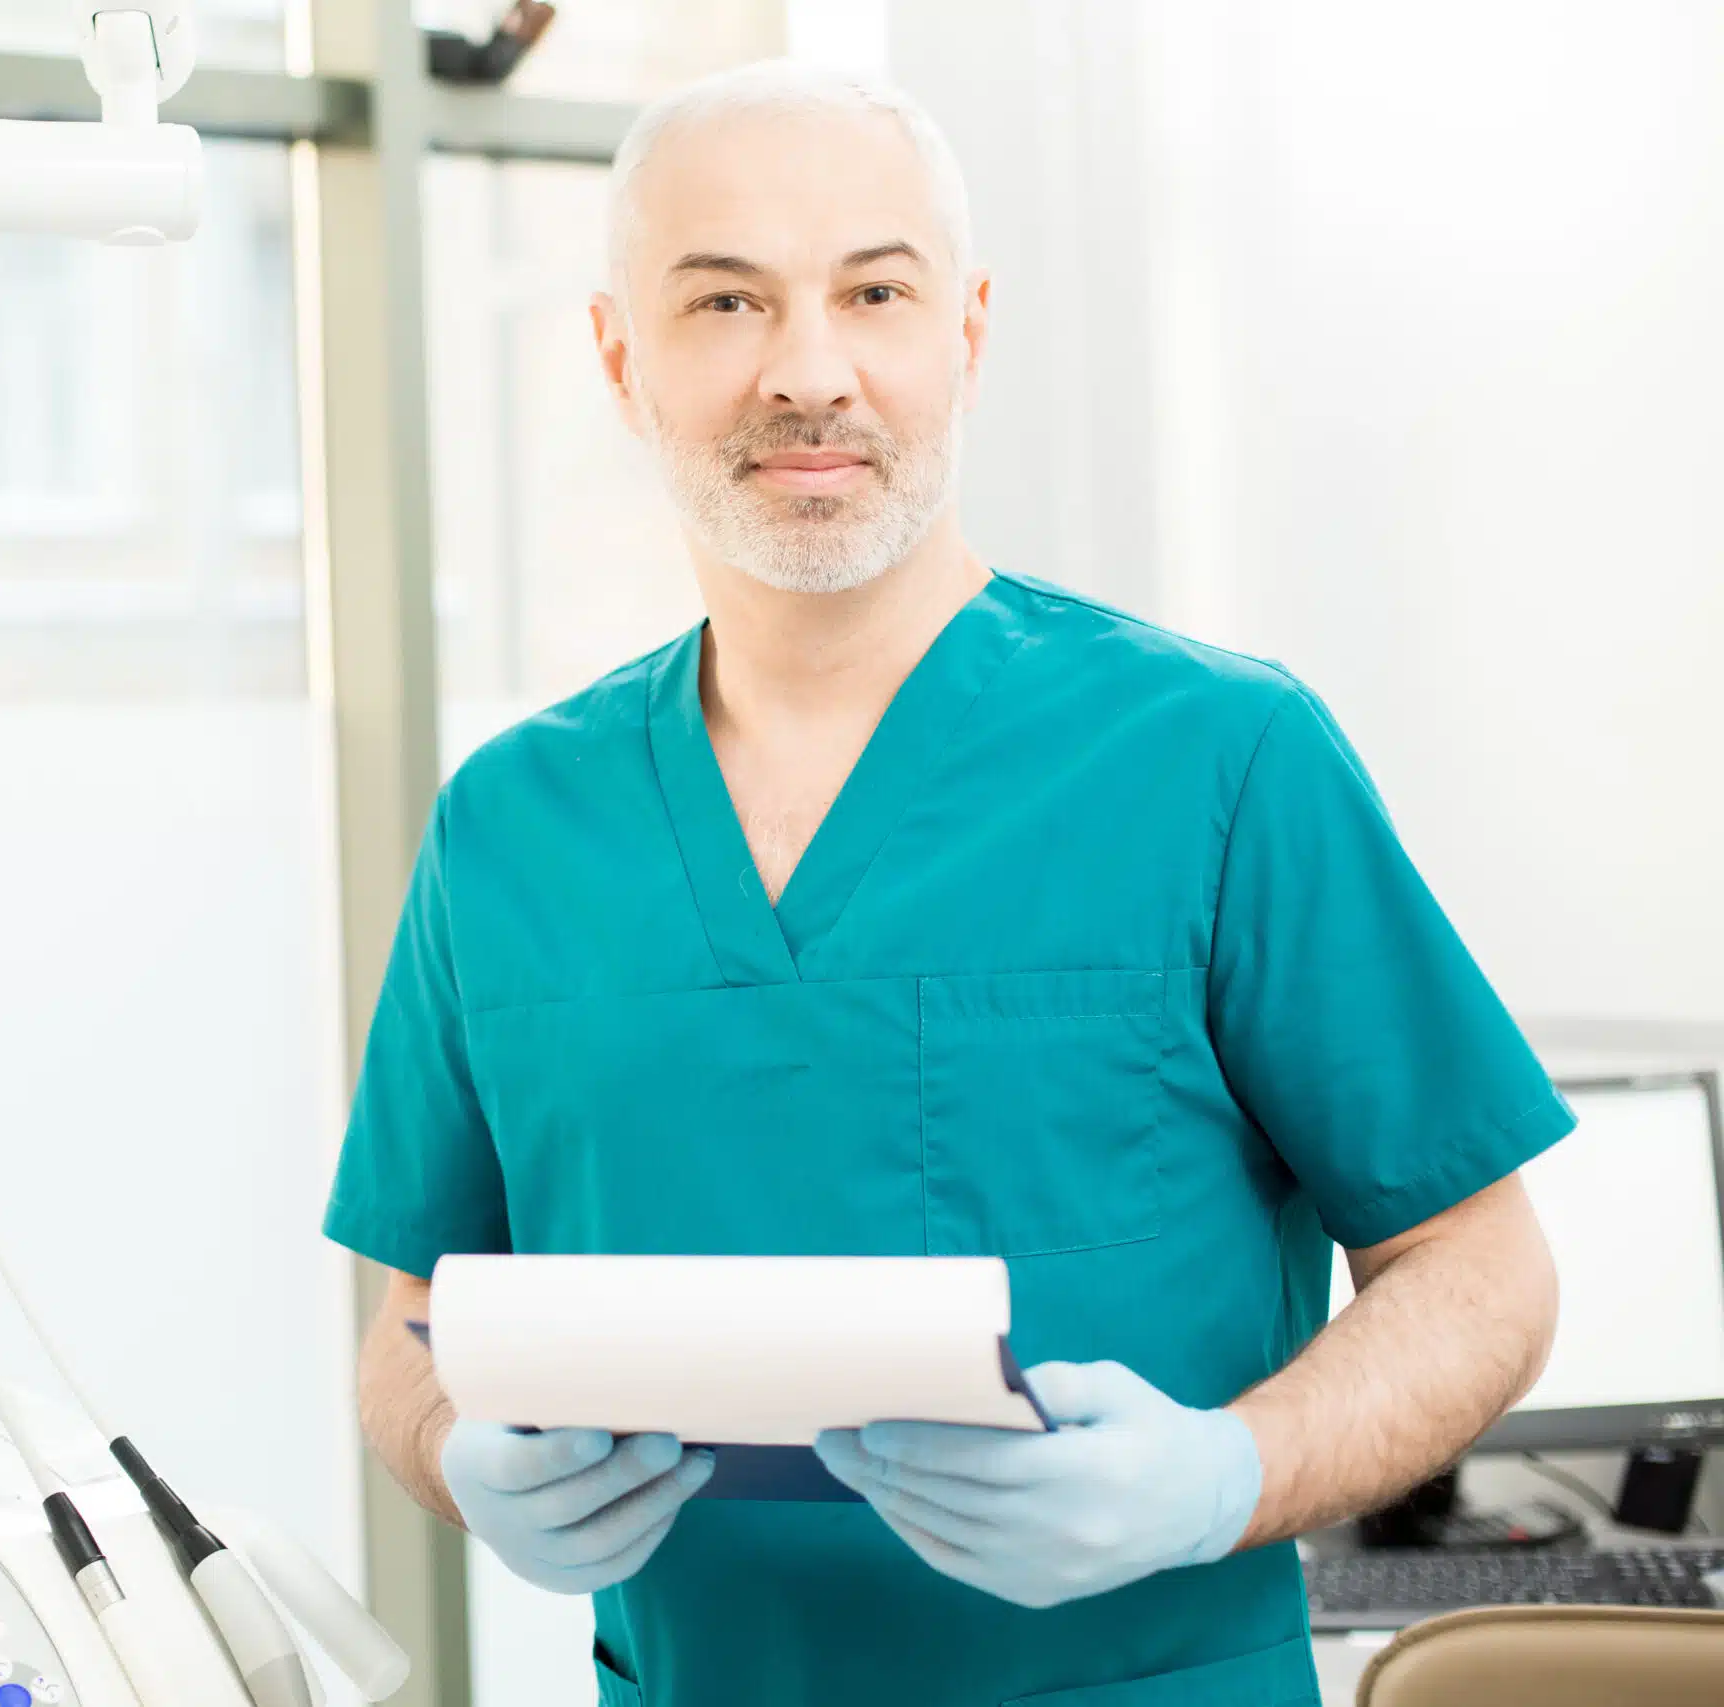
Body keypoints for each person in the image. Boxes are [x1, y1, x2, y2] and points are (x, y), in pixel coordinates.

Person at [322, 58, 1566, 1707]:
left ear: (965, 334)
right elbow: (410, 1319)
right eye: (726, 303)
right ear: (623, 358)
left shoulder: (1221, 759)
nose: (809, 371)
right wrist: (457, 1446)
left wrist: (1222, 1471)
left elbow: (1484, 1270)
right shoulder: (510, 825)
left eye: (874, 292)